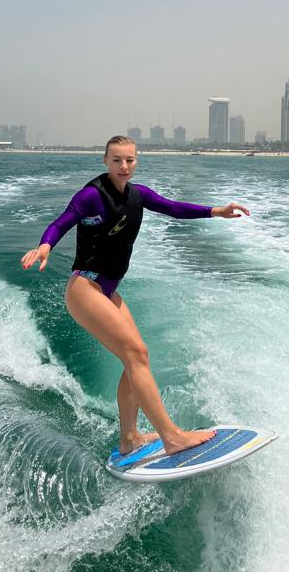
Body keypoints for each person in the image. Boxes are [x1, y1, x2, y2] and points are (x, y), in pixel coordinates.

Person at [21, 136, 249, 456]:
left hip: (108, 290)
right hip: (85, 287)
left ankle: (129, 438)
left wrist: (216, 211)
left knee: (136, 360)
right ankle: (171, 436)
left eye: (129, 160)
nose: (123, 166)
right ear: (105, 161)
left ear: (136, 161)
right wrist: (45, 246)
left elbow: (173, 208)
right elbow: (62, 223)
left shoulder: (137, 195)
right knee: (137, 355)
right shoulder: (91, 196)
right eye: (116, 160)